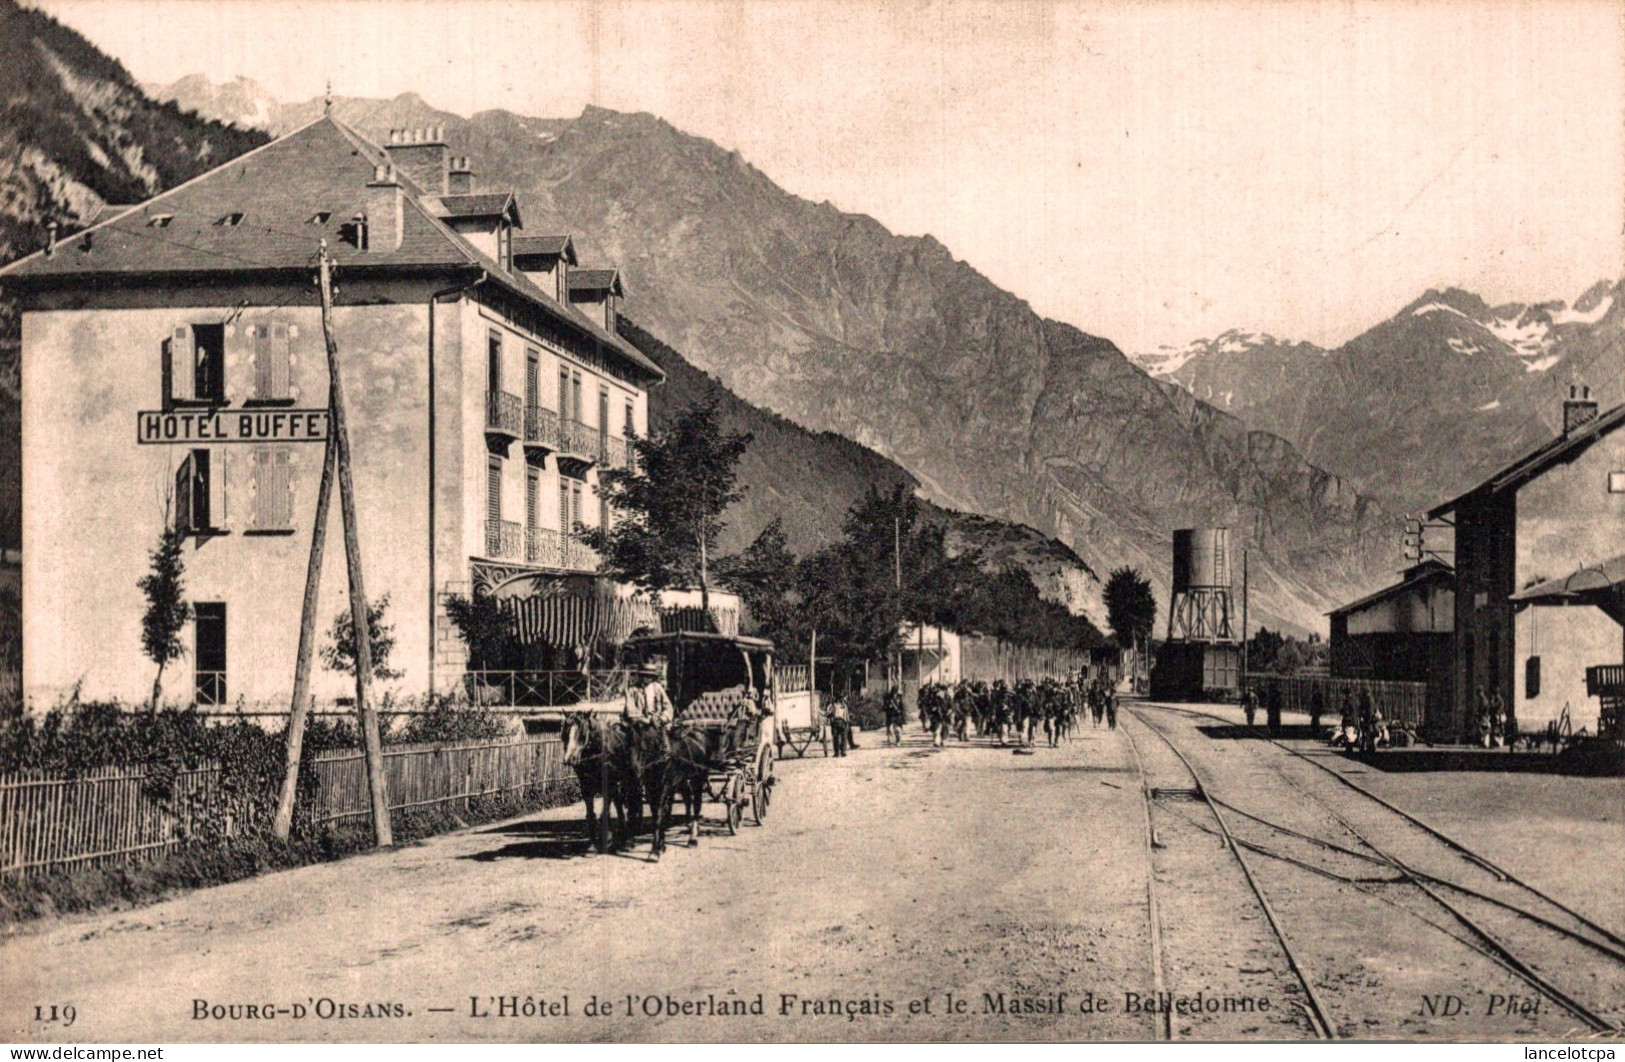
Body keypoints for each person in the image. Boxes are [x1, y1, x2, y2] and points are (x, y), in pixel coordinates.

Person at [625, 656, 674, 725]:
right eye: (644, 675)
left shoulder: (657, 687)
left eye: (649, 676)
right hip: (641, 723)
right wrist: (645, 720)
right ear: (640, 676)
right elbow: (631, 711)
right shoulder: (633, 690)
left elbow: (668, 706)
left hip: (657, 721)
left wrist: (663, 717)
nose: (646, 678)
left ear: (653, 677)